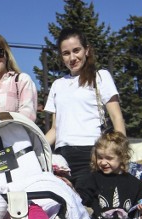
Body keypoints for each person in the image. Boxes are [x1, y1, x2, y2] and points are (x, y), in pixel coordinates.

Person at [44, 27, 126, 188]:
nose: (72, 57)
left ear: (86, 50)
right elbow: (55, 128)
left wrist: (120, 153)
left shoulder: (100, 76)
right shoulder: (57, 85)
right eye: (66, 53)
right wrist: (35, 148)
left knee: (86, 204)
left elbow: (117, 118)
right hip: (61, 158)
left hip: (90, 154)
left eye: (76, 50)